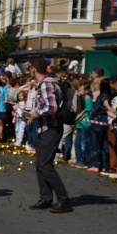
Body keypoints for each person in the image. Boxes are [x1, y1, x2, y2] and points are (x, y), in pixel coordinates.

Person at [25, 60, 72, 212]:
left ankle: (63, 200)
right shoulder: (46, 84)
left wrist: (35, 113)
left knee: (45, 165)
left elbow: (51, 108)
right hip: (45, 128)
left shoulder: (46, 84)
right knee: (40, 165)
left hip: (50, 129)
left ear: (33, 69)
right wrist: (34, 116)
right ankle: (45, 198)